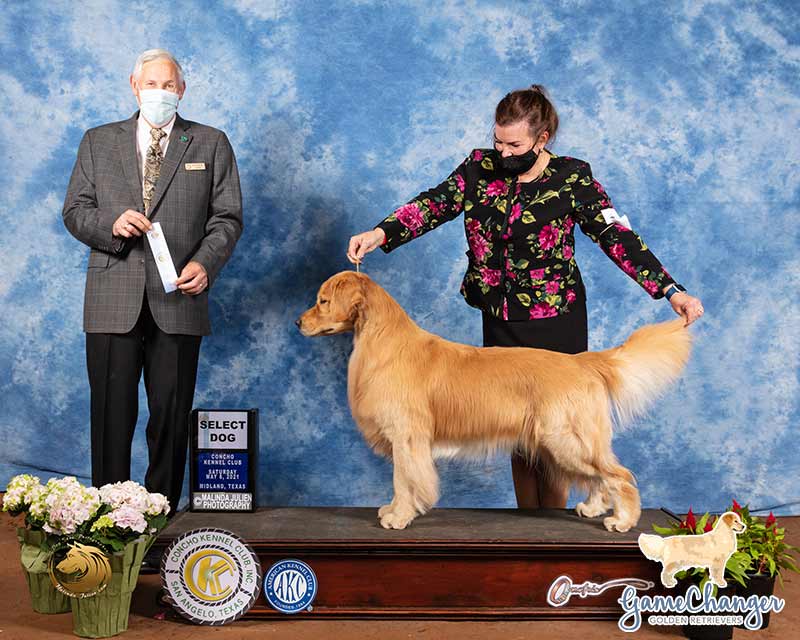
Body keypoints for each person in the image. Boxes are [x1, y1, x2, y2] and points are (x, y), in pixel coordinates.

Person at [347, 84, 703, 511]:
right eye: (498, 140)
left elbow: (617, 237)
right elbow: (434, 204)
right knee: (516, 435)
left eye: (514, 144)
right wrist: (381, 232)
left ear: (542, 138)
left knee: (554, 439)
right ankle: (527, 527)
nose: (503, 151)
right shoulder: (478, 168)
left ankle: (551, 531)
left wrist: (670, 290)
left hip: (556, 318)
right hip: (501, 319)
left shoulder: (572, 178)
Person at [62, 49, 243, 515]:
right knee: (111, 417)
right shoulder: (97, 141)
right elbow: (74, 211)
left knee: (169, 416)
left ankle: (158, 519)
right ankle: (106, 523)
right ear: (133, 85)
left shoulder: (210, 143)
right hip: (111, 298)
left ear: (181, 90)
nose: (159, 92)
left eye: (168, 85)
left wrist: (206, 263)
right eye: (151, 84)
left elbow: (227, 218)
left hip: (179, 298)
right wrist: (110, 224)